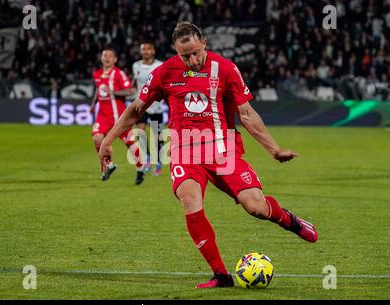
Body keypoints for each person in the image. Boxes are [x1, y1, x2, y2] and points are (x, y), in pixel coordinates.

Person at [98, 22, 318, 288]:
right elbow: (136, 109)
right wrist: (108, 140)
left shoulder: (225, 68)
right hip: (183, 149)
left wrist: (274, 149)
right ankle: (221, 275)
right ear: (176, 52)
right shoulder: (164, 72)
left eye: (195, 53)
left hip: (223, 149)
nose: (191, 60)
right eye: (184, 56)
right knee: (190, 200)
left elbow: (246, 114)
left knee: (256, 207)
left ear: (204, 44)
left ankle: (289, 220)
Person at [90, 48, 145, 185]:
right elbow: (99, 89)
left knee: (131, 144)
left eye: (110, 56)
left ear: (115, 59)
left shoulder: (119, 74)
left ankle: (140, 169)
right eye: (104, 55)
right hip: (102, 115)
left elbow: (131, 90)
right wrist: (93, 104)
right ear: (101, 58)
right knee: (97, 138)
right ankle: (109, 165)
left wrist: (113, 92)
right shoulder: (97, 74)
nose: (107, 58)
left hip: (119, 117)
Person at [132, 41, 164, 176]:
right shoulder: (136, 66)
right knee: (140, 132)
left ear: (153, 51)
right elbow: (136, 83)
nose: (145, 51)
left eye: (148, 49)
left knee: (156, 137)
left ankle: (158, 162)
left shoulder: (160, 65)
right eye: (143, 49)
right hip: (142, 105)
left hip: (156, 106)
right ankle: (147, 158)